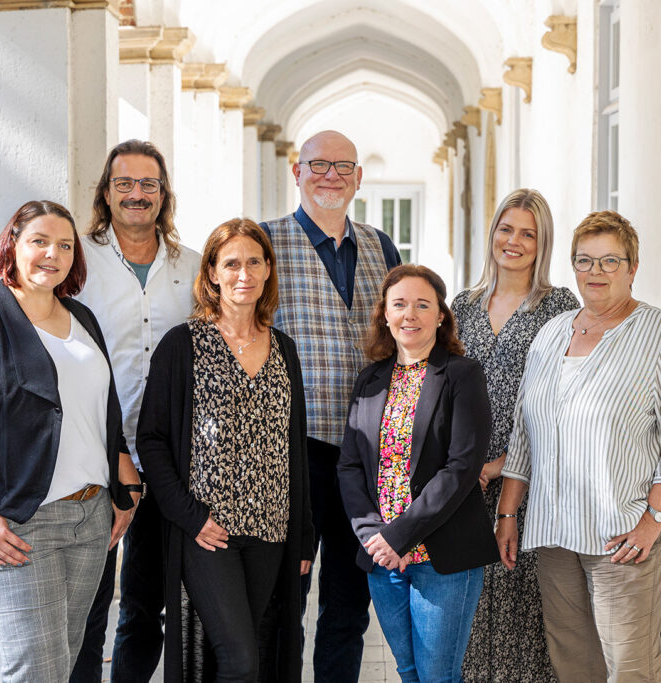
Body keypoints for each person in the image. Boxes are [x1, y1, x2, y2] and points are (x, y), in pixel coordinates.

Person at [0, 201, 142, 682]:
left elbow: (103, 410)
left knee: (64, 663)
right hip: (20, 522)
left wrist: (126, 483)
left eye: (64, 245)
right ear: (12, 245)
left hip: (91, 518)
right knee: (34, 671)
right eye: (39, 241)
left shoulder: (82, 317)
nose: (52, 254)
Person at [495, 210, 661, 682]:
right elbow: (525, 434)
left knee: (631, 669)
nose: (596, 272)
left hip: (623, 535)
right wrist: (508, 514)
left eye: (611, 261)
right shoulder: (552, 334)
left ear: (633, 268)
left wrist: (653, 524)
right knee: (573, 663)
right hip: (554, 530)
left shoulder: (659, 334)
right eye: (585, 260)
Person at [136, 218, 314, 682]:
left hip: (272, 530)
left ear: (269, 268)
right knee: (238, 658)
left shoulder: (284, 350)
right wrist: (190, 516)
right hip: (208, 530)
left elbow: (294, 447)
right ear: (211, 272)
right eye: (231, 263)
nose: (244, 273)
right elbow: (151, 440)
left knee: (250, 652)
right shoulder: (183, 345)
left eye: (255, 262)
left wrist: (304, 532)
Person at [259, 129, 400, 682]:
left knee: (348, 601)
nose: (331, 176)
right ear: (297, 172)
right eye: (318, 165)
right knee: (283, 600)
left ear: (359, 179)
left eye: (344, 167)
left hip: (364, 455)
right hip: (294, 454)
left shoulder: (381, 247)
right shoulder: (266, 244)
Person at [73, 139, 200, 683]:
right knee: (88, 602)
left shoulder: (193, 266)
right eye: (124, 183)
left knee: (146, 601)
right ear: (106, 192)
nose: (137, 194)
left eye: (149, 184)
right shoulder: (77, 259)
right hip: (93, 453)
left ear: (164, 194)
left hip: (168, 457)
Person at [338, 264, 500, 683]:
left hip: (442, 558)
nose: (410, 314)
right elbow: (350, 466)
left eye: (422, 304)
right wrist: (375, 537)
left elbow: (462, 468)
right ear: (385, 315)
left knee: (437, 676)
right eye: (400, 304)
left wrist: (399, 537)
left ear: (440, 315)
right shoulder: (370, 380)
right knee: (409, 671)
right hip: (382, 559)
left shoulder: (462, 375)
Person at [452, 189, 577, 682]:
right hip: (465, 483)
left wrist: (504, 464)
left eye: (528, 233)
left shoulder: (560, 308)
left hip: (530, 480)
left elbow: (563, 401)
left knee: (527, 611)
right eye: (507, 228)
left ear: (542, 242)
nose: (514, 241)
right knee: (468, 611)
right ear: (492, 233)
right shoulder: (462, 306)